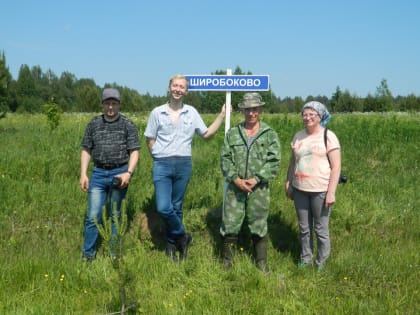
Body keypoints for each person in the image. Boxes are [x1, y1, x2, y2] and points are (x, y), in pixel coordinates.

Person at [144, 74, 226, 261]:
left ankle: (172, 246)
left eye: (182, 87)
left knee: (177, 206)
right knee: (164, 207)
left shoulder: (192, 112)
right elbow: (150, 137)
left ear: (186, 91)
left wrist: (221, 116)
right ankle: (183, 235)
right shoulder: (157, 112)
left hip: (183, 164)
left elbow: (206, 135)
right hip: (162, 164)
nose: (178, 89)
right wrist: (156, 155)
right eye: (175, 86)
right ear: (169, 87)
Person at [220, 92, 281, 273]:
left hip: (259, 189)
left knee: (259, 223)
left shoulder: (269, 134)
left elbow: (274, 161)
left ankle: (261, 264)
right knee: (230, 223)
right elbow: (225, 158)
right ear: (242, 111)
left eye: (255, 109)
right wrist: (236, 179)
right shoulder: (233, 134)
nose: (251, 113)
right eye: (248, 110)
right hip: (235, 188)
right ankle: (226, 264)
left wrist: (256, 179)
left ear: (260, 110)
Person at [79, 88, 140, 261]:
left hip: (119, 174)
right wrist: (83, 174)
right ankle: (88, 255)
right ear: (102, 105)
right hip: (98, 173)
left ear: (119, 105)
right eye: (107, 103)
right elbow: (86, 149)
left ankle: (114, 254)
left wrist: (128, 173)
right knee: (93, 216)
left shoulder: (128, 125)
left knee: (115, 215)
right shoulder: (94, 124)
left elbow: (134, 151)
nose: (111, 107)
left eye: (114, 103)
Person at [285, 101, 341, 271]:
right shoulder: (298, 136)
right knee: (304, 228)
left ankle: (321, 263)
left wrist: (331, 192)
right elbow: (292, 161)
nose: (307, 117)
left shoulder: (328, 136)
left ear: (320, 116)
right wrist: (288, 182)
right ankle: (306, 259)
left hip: (321, 190)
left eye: (311, 114)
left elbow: (336, 166)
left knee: (320, 229)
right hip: (300, 188)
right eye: (304, 114)